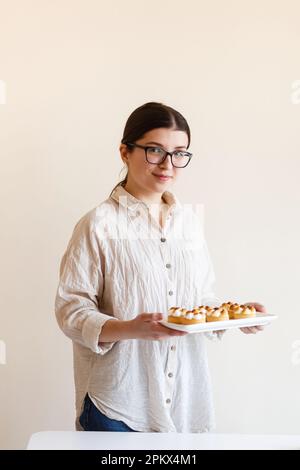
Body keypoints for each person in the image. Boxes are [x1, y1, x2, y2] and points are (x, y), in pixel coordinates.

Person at [55, 101, 265, 433]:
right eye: (155, 150)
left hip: (184, 398)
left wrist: (234, 313)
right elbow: (70, 310)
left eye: (179, 152)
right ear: (125, 152)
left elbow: (199, 299)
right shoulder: (98, 224)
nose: (168, 164)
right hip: (119, 405)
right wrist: (128, 328)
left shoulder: (190, 225)